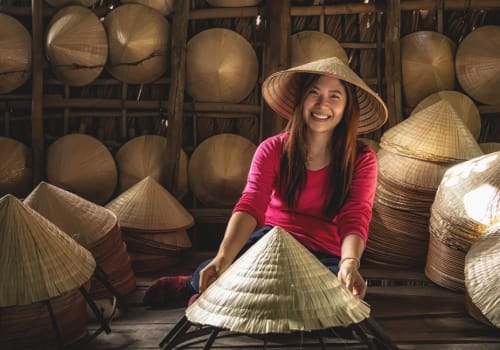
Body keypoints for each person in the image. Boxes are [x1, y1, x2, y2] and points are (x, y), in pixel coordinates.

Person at [143, 56, 388, 307]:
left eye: (335, 96)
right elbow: (252, 202)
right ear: (301, 100)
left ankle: (220, 299)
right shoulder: (272, 148)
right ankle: (191, 286)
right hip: (268, 243)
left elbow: (356, 215)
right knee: (221, 268)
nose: (322, 103)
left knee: (322, 300)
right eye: (314, 92)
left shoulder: (362, 159)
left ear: (348, 107)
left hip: (323, 255)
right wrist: (223, 257)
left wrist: (349, 264)